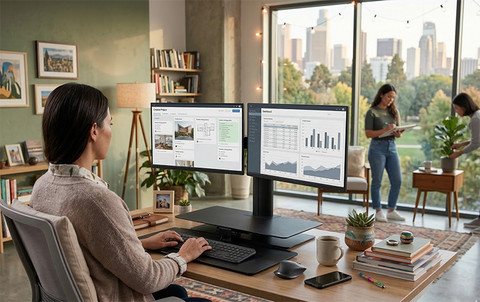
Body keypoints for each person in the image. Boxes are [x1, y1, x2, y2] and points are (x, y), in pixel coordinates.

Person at [30, 83, 212, 302]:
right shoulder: (96, 200)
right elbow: (148, 279)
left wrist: (138, 245)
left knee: (177, 293)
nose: (111, 131)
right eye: (110, 123)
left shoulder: (42, 186)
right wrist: (184, 255)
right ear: (94, 131)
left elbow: (78, 248)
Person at [364, 84, 406, 222]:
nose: (390, 100)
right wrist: (386, 129)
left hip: (392, 146)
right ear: (381, 94)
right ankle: (378, 210)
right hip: (377, 148)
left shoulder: (394, 112)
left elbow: (397, 134)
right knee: (377, 181)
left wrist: (398, 133)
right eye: (388, 96)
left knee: (397, 180)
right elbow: (368, 133)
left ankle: (391, 210)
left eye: (393, 98)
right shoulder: (372, 112)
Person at [450, 92, 480, 234]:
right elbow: (477, 139)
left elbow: (476, 143)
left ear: (464, 106)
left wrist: (459, 152)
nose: (457, 111)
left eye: (457, 108)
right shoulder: (477, 115)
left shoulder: (475, 119)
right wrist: (461, 144)